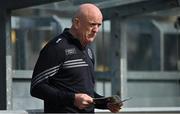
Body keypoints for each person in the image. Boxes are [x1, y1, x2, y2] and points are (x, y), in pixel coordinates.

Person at [30, 3, 122, 113]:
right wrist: (72, 99)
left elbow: (85, 94)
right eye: (92, 24)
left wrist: (106, 104)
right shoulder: (56, 48)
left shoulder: (88, 51)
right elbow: (36, 87)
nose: (96, 30)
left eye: (99, 25)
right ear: (77, 23)